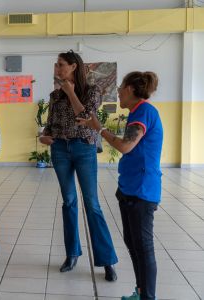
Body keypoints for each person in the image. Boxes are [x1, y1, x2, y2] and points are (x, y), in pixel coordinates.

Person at [77, 71, 163, 300]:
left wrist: (99, 128)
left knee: (143, 247)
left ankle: (148, 297)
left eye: (121, 87)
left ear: (132, 90)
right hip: (130, 188)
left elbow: (125, 146)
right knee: (133, 244)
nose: (118, 91)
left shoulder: (144, 111)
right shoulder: (137, 112)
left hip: (142, 191)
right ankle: (141, 291)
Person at [39, 50, 118, 281]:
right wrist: (46, 136)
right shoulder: (55, 95)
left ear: (74, 67)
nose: (57, 68)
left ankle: (107, 260)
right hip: (60, 149)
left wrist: (71, 92)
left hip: (84, 147)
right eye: (56, 64)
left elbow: (85, 115)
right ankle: (72, 254)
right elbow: (50, 124)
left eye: (61, 64)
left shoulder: (92, 91)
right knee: (69, 202)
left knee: (92, 204)